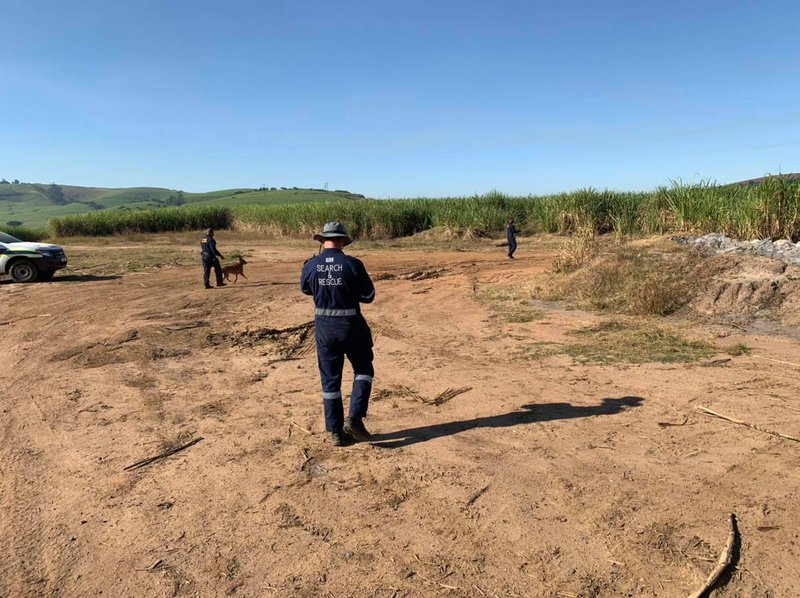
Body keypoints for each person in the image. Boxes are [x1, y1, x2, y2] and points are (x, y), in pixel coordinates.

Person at [301, 222, 376, 446]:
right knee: (363, 369)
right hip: (352, 327)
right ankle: (354, 418)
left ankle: (335, 432)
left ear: (322, 240)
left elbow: (305, 289)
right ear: (343, 240)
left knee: (330, 382)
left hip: (325, 329)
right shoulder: (353, 264)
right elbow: (369, 295)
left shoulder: (311, 265)